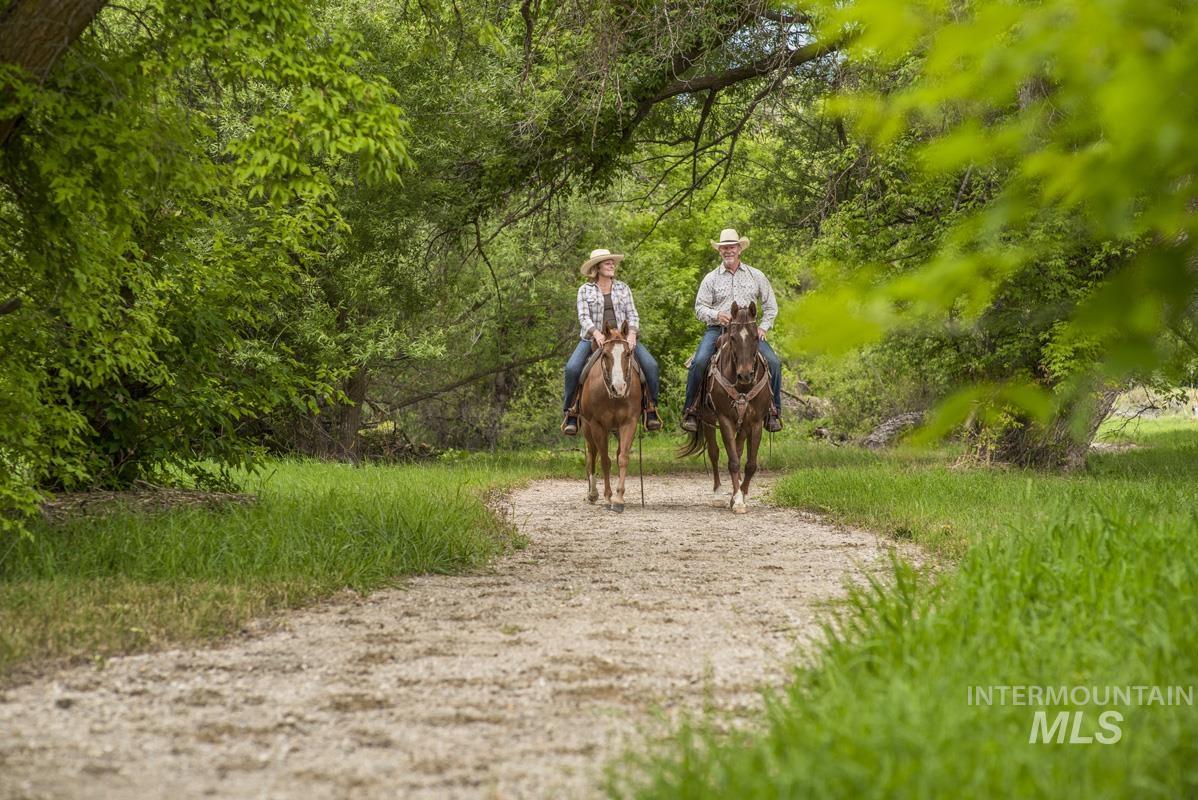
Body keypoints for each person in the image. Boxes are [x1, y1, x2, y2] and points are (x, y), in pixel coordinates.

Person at [681, 228, 783, 433]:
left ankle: (773, 411)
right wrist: (717, 314)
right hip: (718, 330)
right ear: (720, 251)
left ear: (739, 249)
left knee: (773, 362)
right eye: (724, 248)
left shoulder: (756, 275)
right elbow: (699, 308)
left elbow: (771, 305)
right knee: (700, 361)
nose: (728, 251)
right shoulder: (711, 278)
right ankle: (691, 409)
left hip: (749, 332)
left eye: (732, 247)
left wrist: (763, 327)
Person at [562, 248, 662, 435]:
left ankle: (651, 408)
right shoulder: (585, 290)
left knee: (651, 365)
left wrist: (632, 333)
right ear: (597, 268)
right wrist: (596, 333)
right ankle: (571, 412)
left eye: (612, 262)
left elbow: (633, 314)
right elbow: (583, 317)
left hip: (622, 339)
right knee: (572, 368)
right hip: (594, 338)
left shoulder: (623, 288)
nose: (611, 265)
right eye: (607, 263)